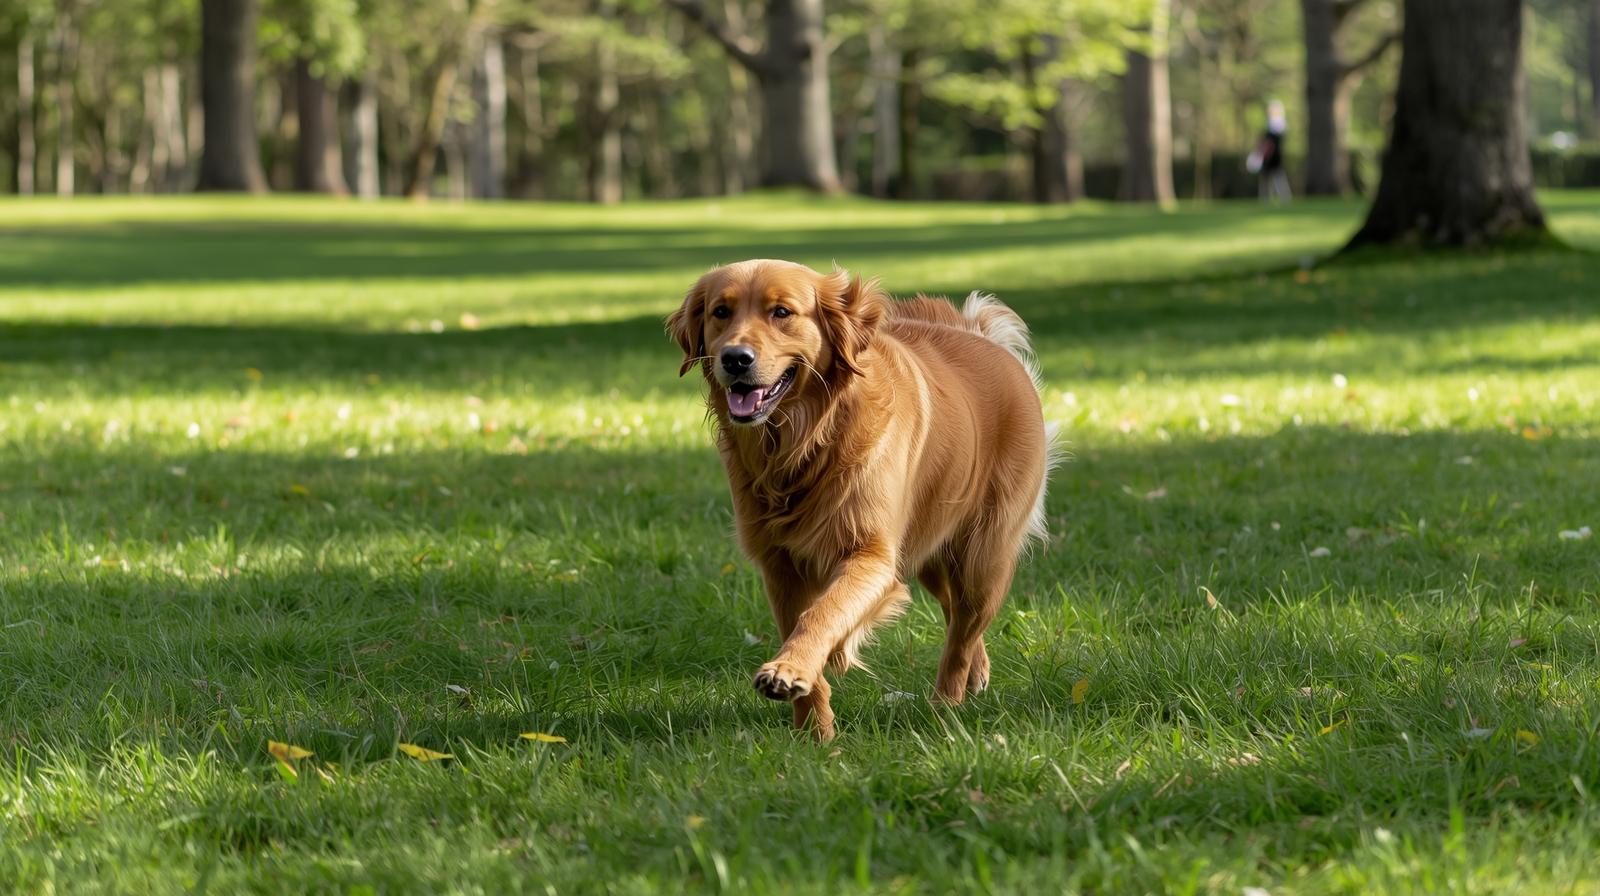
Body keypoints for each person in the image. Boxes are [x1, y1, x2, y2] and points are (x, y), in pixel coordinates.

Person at [1247, 100, 1291, 203]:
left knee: (1278, 176)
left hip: (1274, 156)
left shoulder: (1279, 125)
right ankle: (1265, 199)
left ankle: (1284, 198)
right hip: (1268, 156)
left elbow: (1272, 142)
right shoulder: (1270, 124)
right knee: (1266, 178)